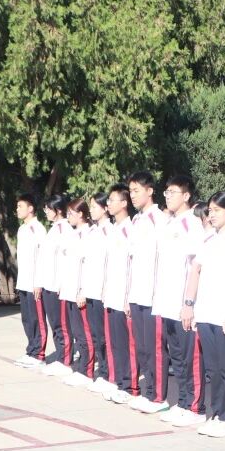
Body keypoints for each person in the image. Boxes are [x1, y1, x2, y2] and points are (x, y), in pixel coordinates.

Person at [183, 192, 225, 437]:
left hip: (224, 315)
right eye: (210, 210)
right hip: (206, 312)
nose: (212, 214)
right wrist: (190, 304)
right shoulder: (208, 240)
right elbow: (196, 272)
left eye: (217, 210)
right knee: (213, 369)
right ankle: (217, 413)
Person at [152, 175, 206, 427]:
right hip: (167, 301)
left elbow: (196, 266)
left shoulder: (191, 224)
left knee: (189, 356)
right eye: (166, 192)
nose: (168, 196)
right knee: (177, 355)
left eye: (173, 192)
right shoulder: (169, 224)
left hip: (183, 303)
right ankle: (183, 402)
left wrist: (189, 303)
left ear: (186, 195)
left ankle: (195, 407)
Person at [126, 172, 168, 413]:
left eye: (136, 191)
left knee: (154, 348)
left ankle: (158, 397)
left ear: (150, 191)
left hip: (153, 296)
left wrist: (157, 292)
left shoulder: (158, 219)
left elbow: (162, 259)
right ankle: (148, 391)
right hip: (137, 294)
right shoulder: (136, 220)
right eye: (130, 191)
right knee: (142, 347)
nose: (132, 196)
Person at [98, 184, 137, 403]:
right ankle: (119, 382)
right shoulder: (114, 229)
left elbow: (131, 266)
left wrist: (128, 297)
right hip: (111, 295)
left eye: (112, 200)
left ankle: (130, 386)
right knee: (115, 342)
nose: (109, 204)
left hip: (123, 296)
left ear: (124, 203)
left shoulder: (130, 229)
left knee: (126, 344)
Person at [38, 195, 75, 379]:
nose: (46, 211)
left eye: (48, 208)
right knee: (55, 324)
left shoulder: (65, 229)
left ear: (58, 210)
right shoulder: (53, 229)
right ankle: (61, 358)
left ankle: (66, 361)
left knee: (62, 326)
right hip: (48, 285)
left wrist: (62, 283)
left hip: (58, 286)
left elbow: (66, 260)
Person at [78, 194, 110, 392]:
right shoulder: (92, 231)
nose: (91, 210)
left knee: (104, 336)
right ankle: (102, 371)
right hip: (90, 290)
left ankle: (107, 373)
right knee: (96, 335)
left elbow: (108, 264)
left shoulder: (109, 231)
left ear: (105, 208)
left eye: (95, 207)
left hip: (101, 292)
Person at [12, 193, 48, 367]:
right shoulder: (22, 229)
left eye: (20, 206)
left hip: (35, 284)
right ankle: (31, 350)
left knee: (36, 319)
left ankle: (39, 354)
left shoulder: (38, 229)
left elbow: (42, 258)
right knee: (27, 319)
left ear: (31, 208)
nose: (17, 209)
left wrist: (38, 282)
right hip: (23, 282)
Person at [58, 198, 92, 381]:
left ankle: (86, 371)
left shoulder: (87, 234)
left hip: (79, 293)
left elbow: (86, 266)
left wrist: (83, 290)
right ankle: (80, 368)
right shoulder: (73, 234)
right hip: (69, 291)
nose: (68, 216)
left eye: (71, 213)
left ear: (81, 214)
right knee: (77, 333)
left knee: (84, 334)